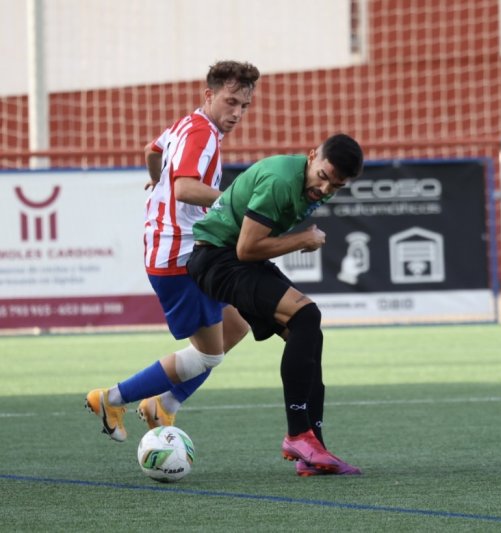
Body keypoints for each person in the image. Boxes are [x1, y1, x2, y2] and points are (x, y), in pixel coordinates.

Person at [85, 61, 260, 443]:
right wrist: (235, 201)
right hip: (180, 258)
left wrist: (154, 176)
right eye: (230, 102)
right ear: (209, 95)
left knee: (237, 327)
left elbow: (152, 150)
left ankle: (163, 405)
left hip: (178, 251)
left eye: (244, 106)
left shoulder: (186, 124)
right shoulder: (203, 134)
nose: (236, 113)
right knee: (209, 355)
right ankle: (111, 398)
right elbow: (184, 188)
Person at [186, 133, 364, 476]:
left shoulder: (313, 184)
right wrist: (303, 239)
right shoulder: (282, 180)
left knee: (309, 333)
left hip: (231, 259)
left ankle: (314, 452)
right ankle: (298, 434)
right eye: (323, 177)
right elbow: (246, 248)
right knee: (307, 314)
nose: (325, 189)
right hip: (217, 259)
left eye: (336, 186)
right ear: (312, 156)